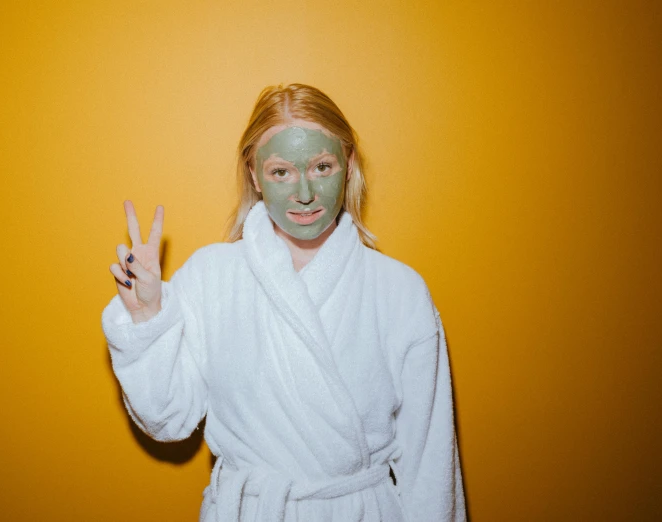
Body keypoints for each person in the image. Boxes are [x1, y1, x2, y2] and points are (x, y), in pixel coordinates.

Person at [101, 83, 466, 521]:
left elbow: (430, 467)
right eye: (280, 172)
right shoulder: (211, 276)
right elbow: (167, 421)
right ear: (254, 174)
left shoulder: (400, 292)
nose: (305, 193)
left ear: (348, 165)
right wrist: (146, 317)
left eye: (322, 166)